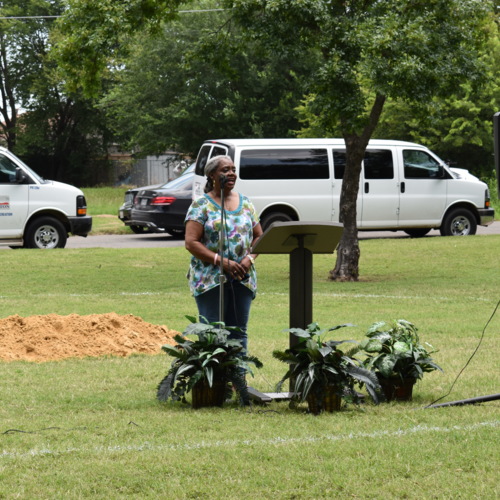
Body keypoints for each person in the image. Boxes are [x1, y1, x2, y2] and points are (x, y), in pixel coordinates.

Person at [184, 155, 263, 354]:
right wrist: (221, 261)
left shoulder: (246, 203)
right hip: (210, 279)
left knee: (238, 333)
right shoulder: (201, 205)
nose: (231, 174)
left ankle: (238, 383)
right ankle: (215, 383)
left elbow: (259, 237)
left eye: (233, 169)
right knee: (212, 332)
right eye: (225, 170)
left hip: (241, 277)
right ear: (212, 175)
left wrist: (249, 259)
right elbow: (191, 242)